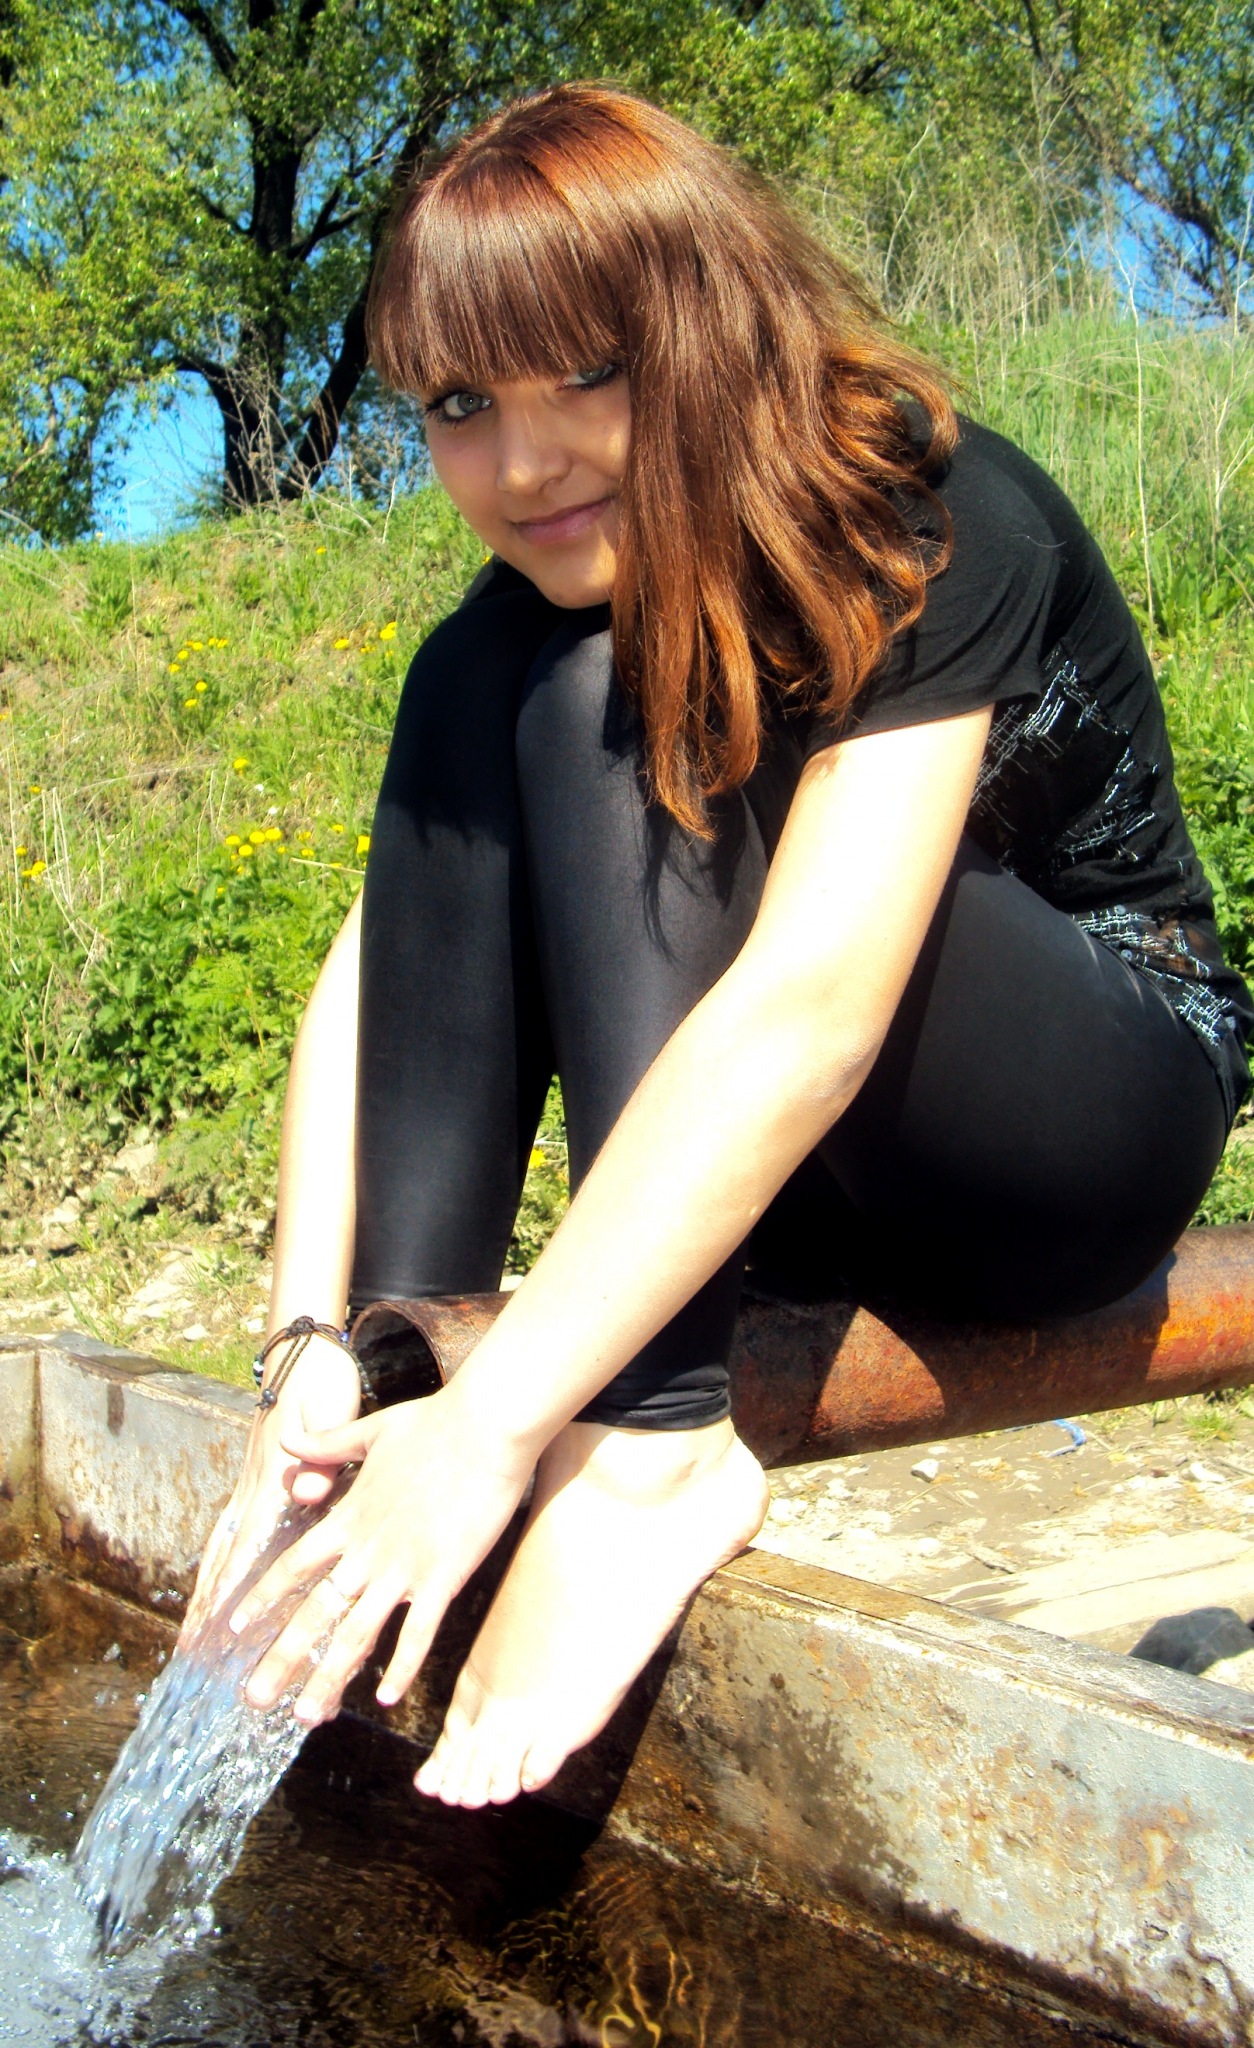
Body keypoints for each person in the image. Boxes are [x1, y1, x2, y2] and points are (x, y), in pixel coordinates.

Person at [187, 84, 1251, 1810]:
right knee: (481, 681)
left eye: (585, 375)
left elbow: (816, 1006)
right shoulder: (516, 619)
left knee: (623, 694)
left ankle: (654, 1459)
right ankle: (393, 1374)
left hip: (1080, 1120)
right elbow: (374, 974)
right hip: (804, 1192)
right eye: (459, 405)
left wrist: (509, 1425)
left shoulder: (924, 504)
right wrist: (306, 1357)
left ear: (707, 327)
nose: (521, 463)